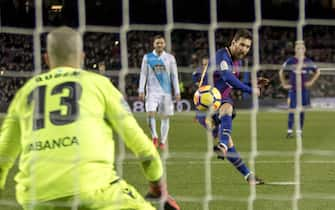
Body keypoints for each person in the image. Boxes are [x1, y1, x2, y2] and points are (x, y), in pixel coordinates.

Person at [0, 27, 180, 210]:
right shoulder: (99, 85)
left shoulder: (24, 93)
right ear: (81, 56)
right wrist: (158, 187)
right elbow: (142, 147)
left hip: (36, 197)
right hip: (94, 190)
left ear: (46, 58)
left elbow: (2, 156)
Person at [193, 29, 264, 185]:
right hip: (205, 106)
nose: (244, 49)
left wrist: (253, 84)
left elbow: (228, 81)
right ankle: (224, 144)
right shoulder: (222, 56)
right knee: (227, 112)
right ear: (233, 42)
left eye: (247, 47)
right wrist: (251, 90)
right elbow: (227, 77)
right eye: (242, 45)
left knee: (228, 141)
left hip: (219, 100)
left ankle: (248, 176)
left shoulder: (235, 61)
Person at [138, 35, 181, 150]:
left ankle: (162, 141)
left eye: (161, 43)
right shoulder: (147, 57)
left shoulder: (170, 58)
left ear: (164, 44)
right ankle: (155, 137)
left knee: (165, 117)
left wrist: (177, 91)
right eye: (157, 43)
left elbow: (174, 76)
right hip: (151, 92)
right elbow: (143, 74)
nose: (159, 45)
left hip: (166, 92)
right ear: (154, 44)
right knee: (150, 114)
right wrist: (141, 90)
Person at [279, 40, 320, 138]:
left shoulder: (308, 61)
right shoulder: (291, 61)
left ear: (304, 50)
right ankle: (289, 132)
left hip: (304, 91)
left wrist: (311, 82)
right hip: (293, 90)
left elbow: (318, 71)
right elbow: (281, 71)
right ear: (295, 50)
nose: (300, 50)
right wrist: (284, 83)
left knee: (302, 111)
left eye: (302, 48)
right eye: (298, 48)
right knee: (292, 110)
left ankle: (299, 132)